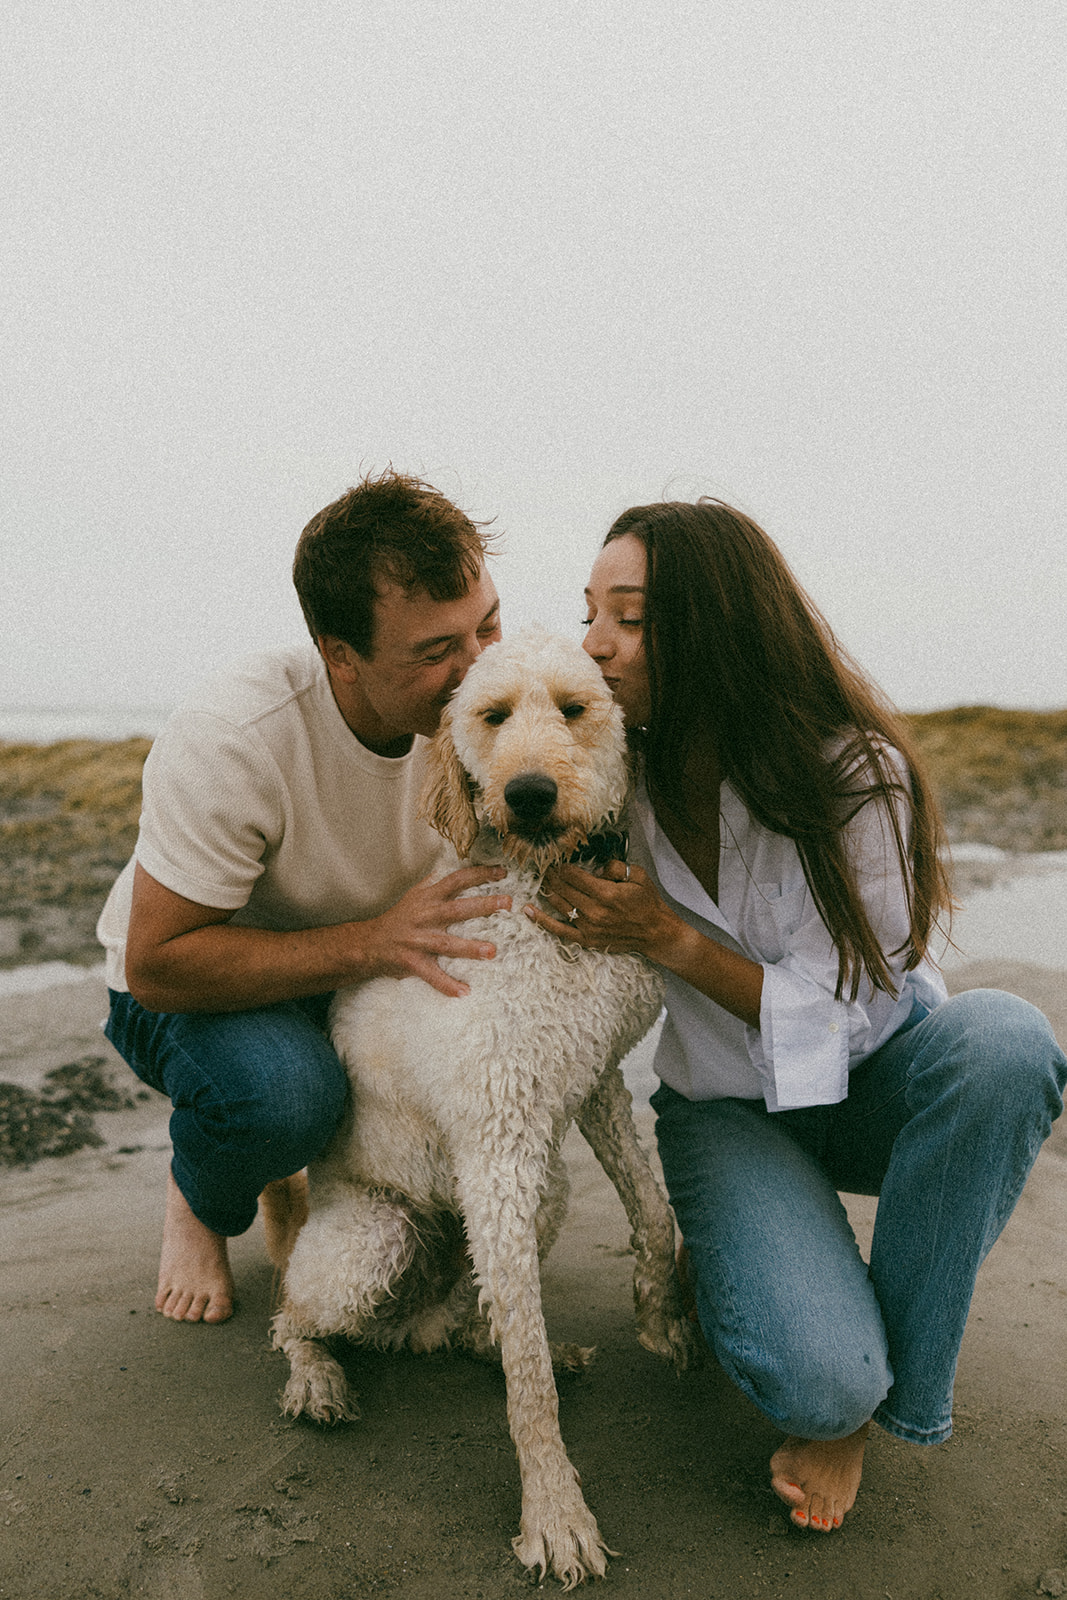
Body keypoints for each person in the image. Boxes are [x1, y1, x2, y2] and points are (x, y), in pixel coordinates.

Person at [525, 498, 1066, 1533]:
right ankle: (756, 1255)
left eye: (628, 618)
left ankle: (879, 1408)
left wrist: (672, 940)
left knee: (1007, 1041)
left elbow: (853, 1004)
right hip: (727, 1109)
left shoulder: (855, 773)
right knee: (819, 1375)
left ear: (716, 626)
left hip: (881, 1080)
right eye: (587, 611)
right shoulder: (609, 774)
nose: (593, 644)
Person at [98, 469, 512, 1326]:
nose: (476, 671)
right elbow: (158, 967)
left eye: (487, 628)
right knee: (286, 1099)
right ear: (341, 656)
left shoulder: (489, 711)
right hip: (198, 985)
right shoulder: (235, 737)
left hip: (359, 972)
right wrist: (373, 942)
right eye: (436, 653)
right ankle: (201, 1194)